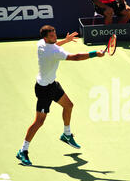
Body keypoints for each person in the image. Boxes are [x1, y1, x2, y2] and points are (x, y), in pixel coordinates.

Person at [16, 25, 105, 166]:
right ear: (46, 37)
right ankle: (23, 150)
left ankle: (66, 134)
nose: (54, 36)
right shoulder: (53, 52)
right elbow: (75, 57)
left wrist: (66, 40)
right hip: (44, 90)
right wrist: (95, 53)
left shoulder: (41, 44)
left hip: (52, 85)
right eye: (51, 36)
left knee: (68, 105)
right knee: (39, 122)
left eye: (54, 33)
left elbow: (54, 45)